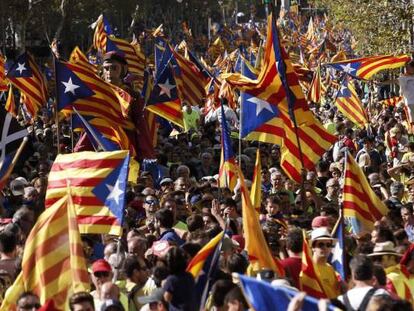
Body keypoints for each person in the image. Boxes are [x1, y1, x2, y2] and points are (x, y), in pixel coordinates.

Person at [306, 227, 341, 299]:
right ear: (313, 247)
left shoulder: (330, 268)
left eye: (328, 245)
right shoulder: (308, 268)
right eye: (321, 245)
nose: (325, 247)